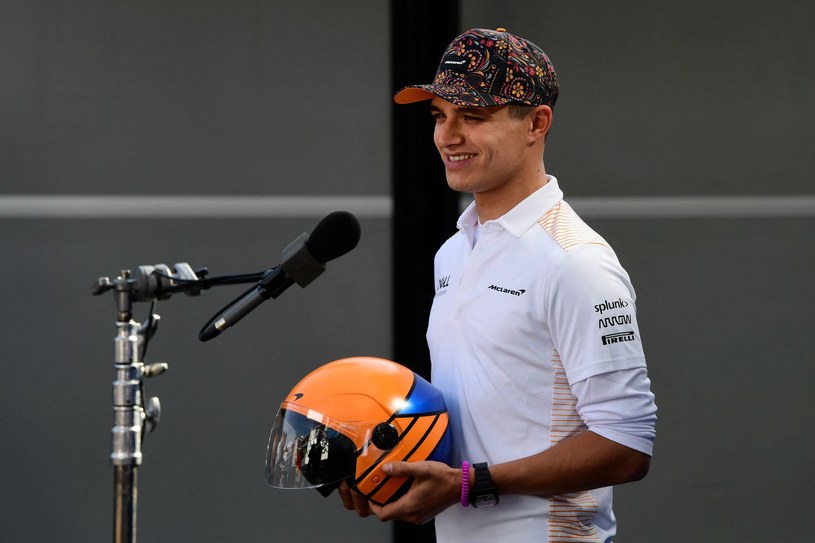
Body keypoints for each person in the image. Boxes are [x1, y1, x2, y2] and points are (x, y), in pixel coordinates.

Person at [339, 27, 657, 542]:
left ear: (537, 123)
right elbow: (478, 419)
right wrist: (385, 467)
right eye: (440, 115)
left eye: (473, 116)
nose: (448, 135)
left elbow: (626, 443)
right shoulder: (454, 251)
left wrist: (467, 485)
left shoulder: (575, 262)